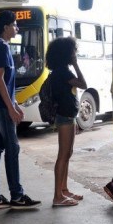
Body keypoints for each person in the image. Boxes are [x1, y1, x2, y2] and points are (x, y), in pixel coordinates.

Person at [0, 10, 41, 210]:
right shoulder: (3, 48)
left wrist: (15, 104)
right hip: (1, 107)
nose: (17, 28)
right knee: (12, 148)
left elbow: (5, 83)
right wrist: (11, 108)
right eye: (15, 24)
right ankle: (16, 195)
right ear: (6, 27)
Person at [46, 37, 87, 207]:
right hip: (64, 117)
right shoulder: (63, 72)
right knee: (63, 155)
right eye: (72, 51)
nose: (74, 54)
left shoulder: (60, 71)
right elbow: (84, 84)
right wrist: (76, 64)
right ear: (66, 54)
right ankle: (57, 196)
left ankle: (64, 190)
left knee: (67, 153)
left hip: (68, 116)